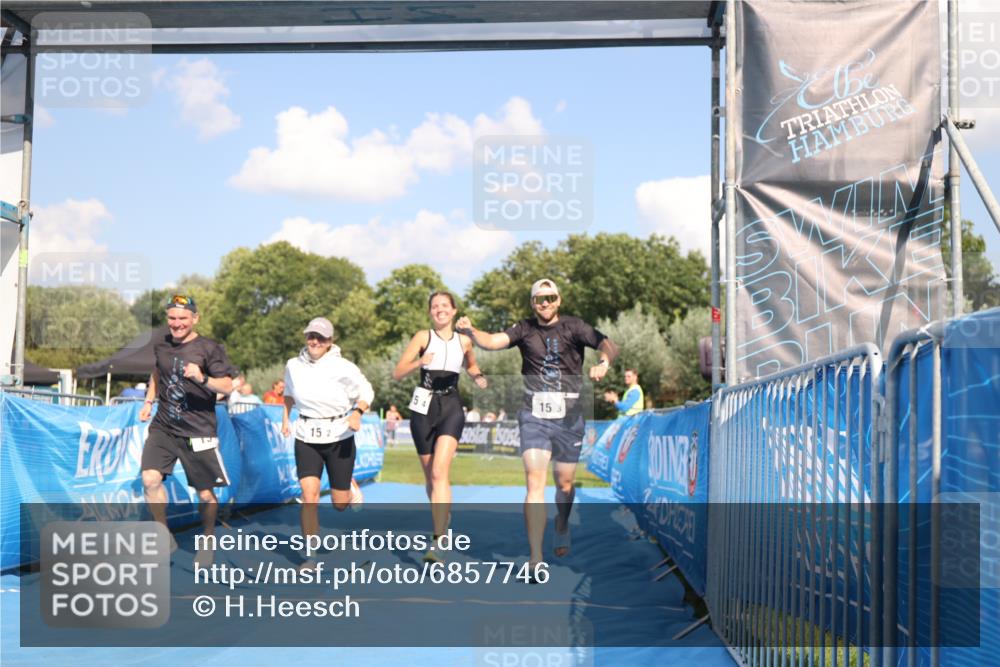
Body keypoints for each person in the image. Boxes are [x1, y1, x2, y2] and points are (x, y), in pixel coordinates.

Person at [457, 278, 618, 577]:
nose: (545, 303)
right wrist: (471, 331)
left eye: (550, 298)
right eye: (539, 299)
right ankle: (535, 558)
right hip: (534, 414)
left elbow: (607, 343)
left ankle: (562, 523)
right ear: (532, 303)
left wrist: (604, 362)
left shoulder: (574, 326)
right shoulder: (524, 328)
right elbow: (492, 341)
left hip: (569, 416)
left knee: (565, 484)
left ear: (559, 300)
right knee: (534, 481)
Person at [138, 294, 237, 567]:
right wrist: (148, 401)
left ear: (195, 319)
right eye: (172, 318)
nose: (177, 324)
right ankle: (163, 534)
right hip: (164, 426)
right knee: (150, 479)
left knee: (205, 494)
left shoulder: (209, 348)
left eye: (183, 318)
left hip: (199, 430)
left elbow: (227, 386)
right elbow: (157, 374)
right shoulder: (161, 346)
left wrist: (202, 378)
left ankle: (207, 540)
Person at [393, 291, 488, 562]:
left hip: (451, 407)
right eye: (435, 306)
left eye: (445, 306)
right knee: (430, 477)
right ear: (430, 312)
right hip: (423, 406)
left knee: (439, 471)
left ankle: (438, 540)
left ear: (454, 310)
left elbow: (472, 365)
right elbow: (397, 372)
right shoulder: (423, 337)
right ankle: (442, 518)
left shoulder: (465, 341)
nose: (439, 310)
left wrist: (479, 377)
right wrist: (418, 363)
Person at [281, 317, 373, 565]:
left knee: (340, 504)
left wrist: (357, 413)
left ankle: (349, 486)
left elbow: (367, 392)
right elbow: (288, 393)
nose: (315, 341)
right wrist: (285, 419)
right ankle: (309, 557)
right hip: (306, 435)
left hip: (339, 436)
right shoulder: (293, 365)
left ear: (330, 341)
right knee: (309, 495)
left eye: (320, 337)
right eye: (311, 336)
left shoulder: (344, 367)